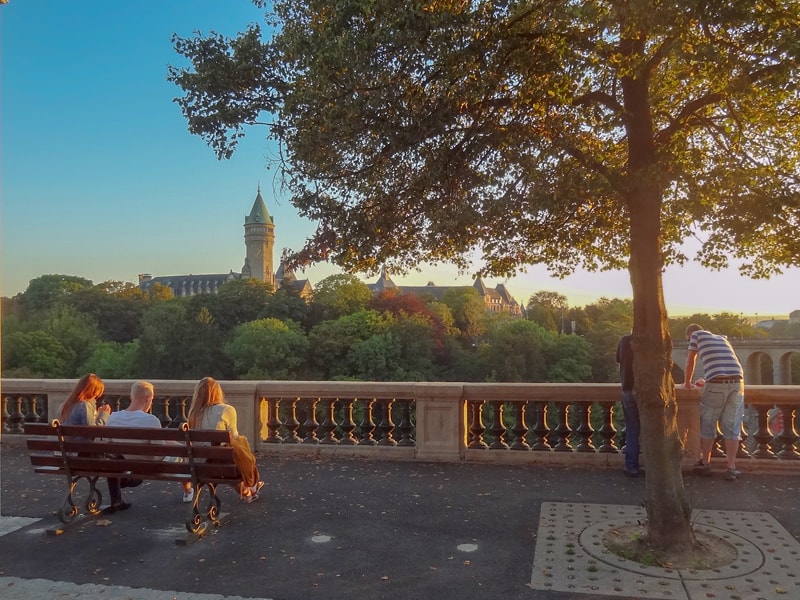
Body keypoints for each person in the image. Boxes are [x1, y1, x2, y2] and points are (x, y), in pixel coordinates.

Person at [106, 381, 195, 504]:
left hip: (127, 465)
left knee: (177, 447)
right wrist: (184, 448)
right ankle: (188, 490)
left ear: (131, 397)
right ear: (148, 399)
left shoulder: (112, 418)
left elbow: (111, 450)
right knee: (182, 456)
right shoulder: (151, 420)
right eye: (152, 399)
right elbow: (159, 453)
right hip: (151, 467)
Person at [58, 374, 129, 511]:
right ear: (93, 390)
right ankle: (122, 491)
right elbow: (93, 432)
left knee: (114, 458)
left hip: (68, 457)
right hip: (84, 457)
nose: (98, 396)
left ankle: (119, 496)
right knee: (118, 459)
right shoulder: (84, 405)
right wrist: (104, 414)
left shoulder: (64, 406)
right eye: (98, 392)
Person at [683, 324, 745, 481]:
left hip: (717, 382)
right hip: (737, 382)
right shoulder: (722, 338)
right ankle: (731, 468)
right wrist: (708, 381)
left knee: (708, 424)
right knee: (732, 427)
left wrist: (687, 383)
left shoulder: (696, 336)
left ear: (690, 334)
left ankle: (706, 464)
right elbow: (725, 364)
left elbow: (691, 361)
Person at [187, 377, 264, 503]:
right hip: (221, 465)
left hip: (197, 466)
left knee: (229, 454)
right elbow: (234, 438)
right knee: (241, 446)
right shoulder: (226, 410)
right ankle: (251, 488)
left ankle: (248, 490)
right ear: (218, 392)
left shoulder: (193, 413)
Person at [616, 333, 640, 477]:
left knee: (632, 430)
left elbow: (618, 359)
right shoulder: (650, 341)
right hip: (645, 391)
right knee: (651, 430)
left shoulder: (624, 340)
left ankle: (631, 466)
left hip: (627, 389)